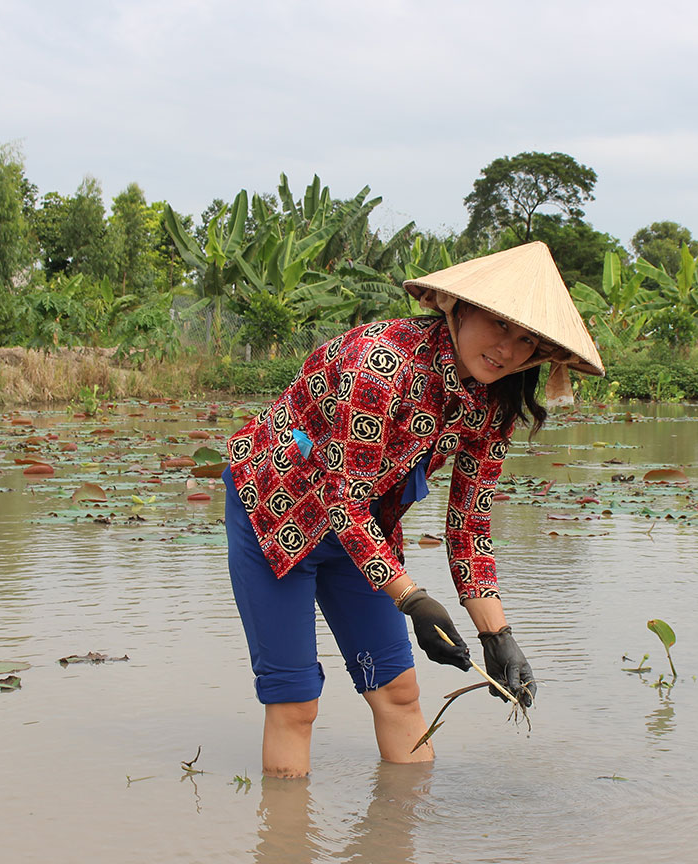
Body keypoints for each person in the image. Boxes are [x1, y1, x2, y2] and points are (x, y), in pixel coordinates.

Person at [222, 241, 604, 777]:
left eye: (526, 341)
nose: (508, 350)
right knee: (296, 702)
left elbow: (469, 522)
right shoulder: (381, 365)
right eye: (498, 325)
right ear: (458, 308)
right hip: (277, 509)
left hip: (363, 528)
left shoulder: (493, 402)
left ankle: (404, 836)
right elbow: (343, 496)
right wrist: (413, 599)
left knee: (399, 691)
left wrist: (498, 636)